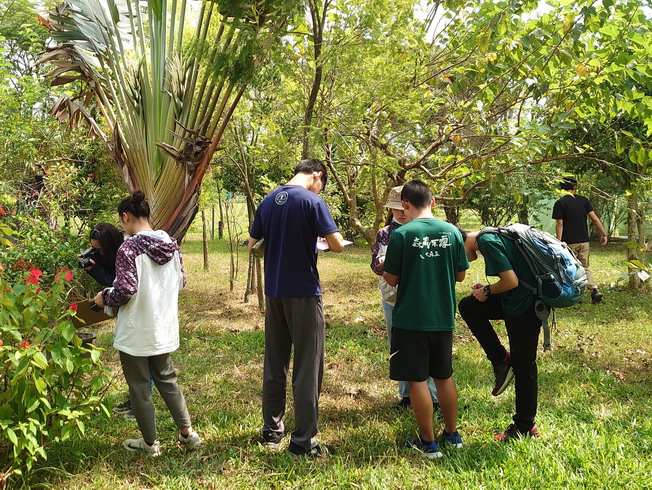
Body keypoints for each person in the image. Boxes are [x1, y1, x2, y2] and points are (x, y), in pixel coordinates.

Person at [248, 158, 345, 457]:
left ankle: (271, 432)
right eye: (322, 183)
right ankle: (303, 441)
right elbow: (338, 244)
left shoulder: (266, 202)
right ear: (317, 175)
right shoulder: (312, 201)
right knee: (307, 366)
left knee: (275, 363)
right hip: (303, 291)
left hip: (275, 292)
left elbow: (253, 244)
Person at [93, 191, 200, 456]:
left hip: (136, 330)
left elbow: (125, 290)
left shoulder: (128, 248)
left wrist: (103, 296)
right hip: (162, 326)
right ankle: (188, 433)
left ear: (126, 217)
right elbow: (181, 282)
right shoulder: (172, 244)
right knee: (167, 380)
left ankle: (150, 444)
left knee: (140, 387)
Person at [382, 180, 468, 459]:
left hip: (410, 319)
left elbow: (391, 278)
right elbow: (460, 275)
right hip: (443, 317)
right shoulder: (452, 232)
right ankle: (452, 435)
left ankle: (428, 443)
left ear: (404, 204)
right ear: (433, 202)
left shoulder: (402, 234)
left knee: (417, 379)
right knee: (444, 375)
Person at [457, 227, 543, 441]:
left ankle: (525, 427)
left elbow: (511, 281)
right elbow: (513, 276)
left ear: (460, 244)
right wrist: (487, 289)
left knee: (524, 365)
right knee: (469, 306)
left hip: (525, 306)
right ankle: (501, 359)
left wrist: (487, 291)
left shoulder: (487, 241)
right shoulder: (492, 235)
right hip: (517, 300)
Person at [370, 185, 438, 410]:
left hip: (421, 295)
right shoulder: (385, 233)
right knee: (397, 343)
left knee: (427, 346)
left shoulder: (426, 231)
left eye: (403, 207)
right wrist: (383, 264)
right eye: (395, 208)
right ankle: (406, 395)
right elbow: (376, 266)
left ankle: (432, 396)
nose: (400, 212)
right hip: (393, 296)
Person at [552, 177, 608, 303]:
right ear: (575, 187)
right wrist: (604, 233)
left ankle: (575, 295)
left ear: (561, 188)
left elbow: (559, 224)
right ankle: (594, 289)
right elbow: (594, 218)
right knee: (585, 266)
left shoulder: (560, 203)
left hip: (569, 242)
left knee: (569, 267)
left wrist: (558, 243)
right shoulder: (584, 201)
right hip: (584, 241)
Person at [82, 222, 124, 287]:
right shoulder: (100, 253)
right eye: (93, 248)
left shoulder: (125, 252)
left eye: (100, 248)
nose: (97, 251)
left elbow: (118, 283)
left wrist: (95, 269)